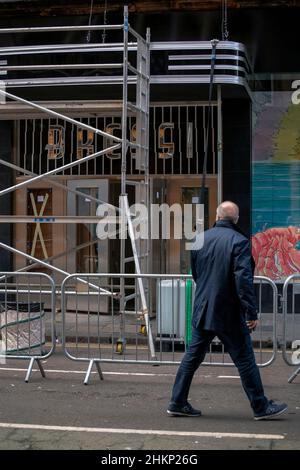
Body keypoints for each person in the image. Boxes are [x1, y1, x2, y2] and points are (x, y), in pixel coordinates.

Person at [167, 201, 287, 420]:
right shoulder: (239, 242)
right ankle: (260, 407)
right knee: (245, 359)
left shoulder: (200, 239)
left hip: (204, 308)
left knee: (192, 357)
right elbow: (243, 281)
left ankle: (177, 401)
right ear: (237, 219)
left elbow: (197, 274)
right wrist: (250, 312)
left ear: (217, 215)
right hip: (228, 312)